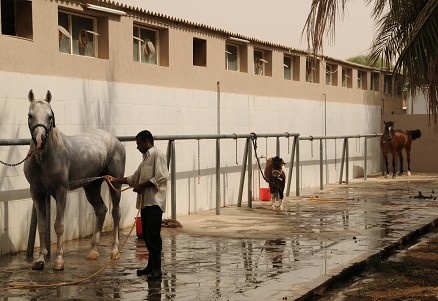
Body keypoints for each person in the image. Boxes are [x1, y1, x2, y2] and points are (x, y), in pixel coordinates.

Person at [103, 130, 169, 280]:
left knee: (153, 236)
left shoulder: (158, 155)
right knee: (146, 235)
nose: (137, 147)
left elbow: (162, 176)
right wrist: (114, 179)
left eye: (139, 143)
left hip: (154, 203)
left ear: (147, 142)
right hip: (145, 203)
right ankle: (150, 266)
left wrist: (142, 186)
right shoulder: (145, 159)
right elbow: (134, 178)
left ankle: (157, 270)